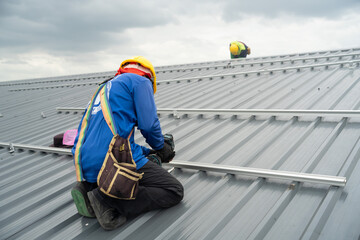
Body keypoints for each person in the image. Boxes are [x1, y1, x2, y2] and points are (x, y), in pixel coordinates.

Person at [70, 56, 184, 230]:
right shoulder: (140, 81)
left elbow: (110, 138)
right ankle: (106, 200)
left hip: (86, 162)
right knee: (174, 191)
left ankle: (88, 187)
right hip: (110, 160)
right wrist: (161, 147)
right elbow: (148, 125)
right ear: (150, 77)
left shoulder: (102, 90)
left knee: (132, 174)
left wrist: (147, 153)